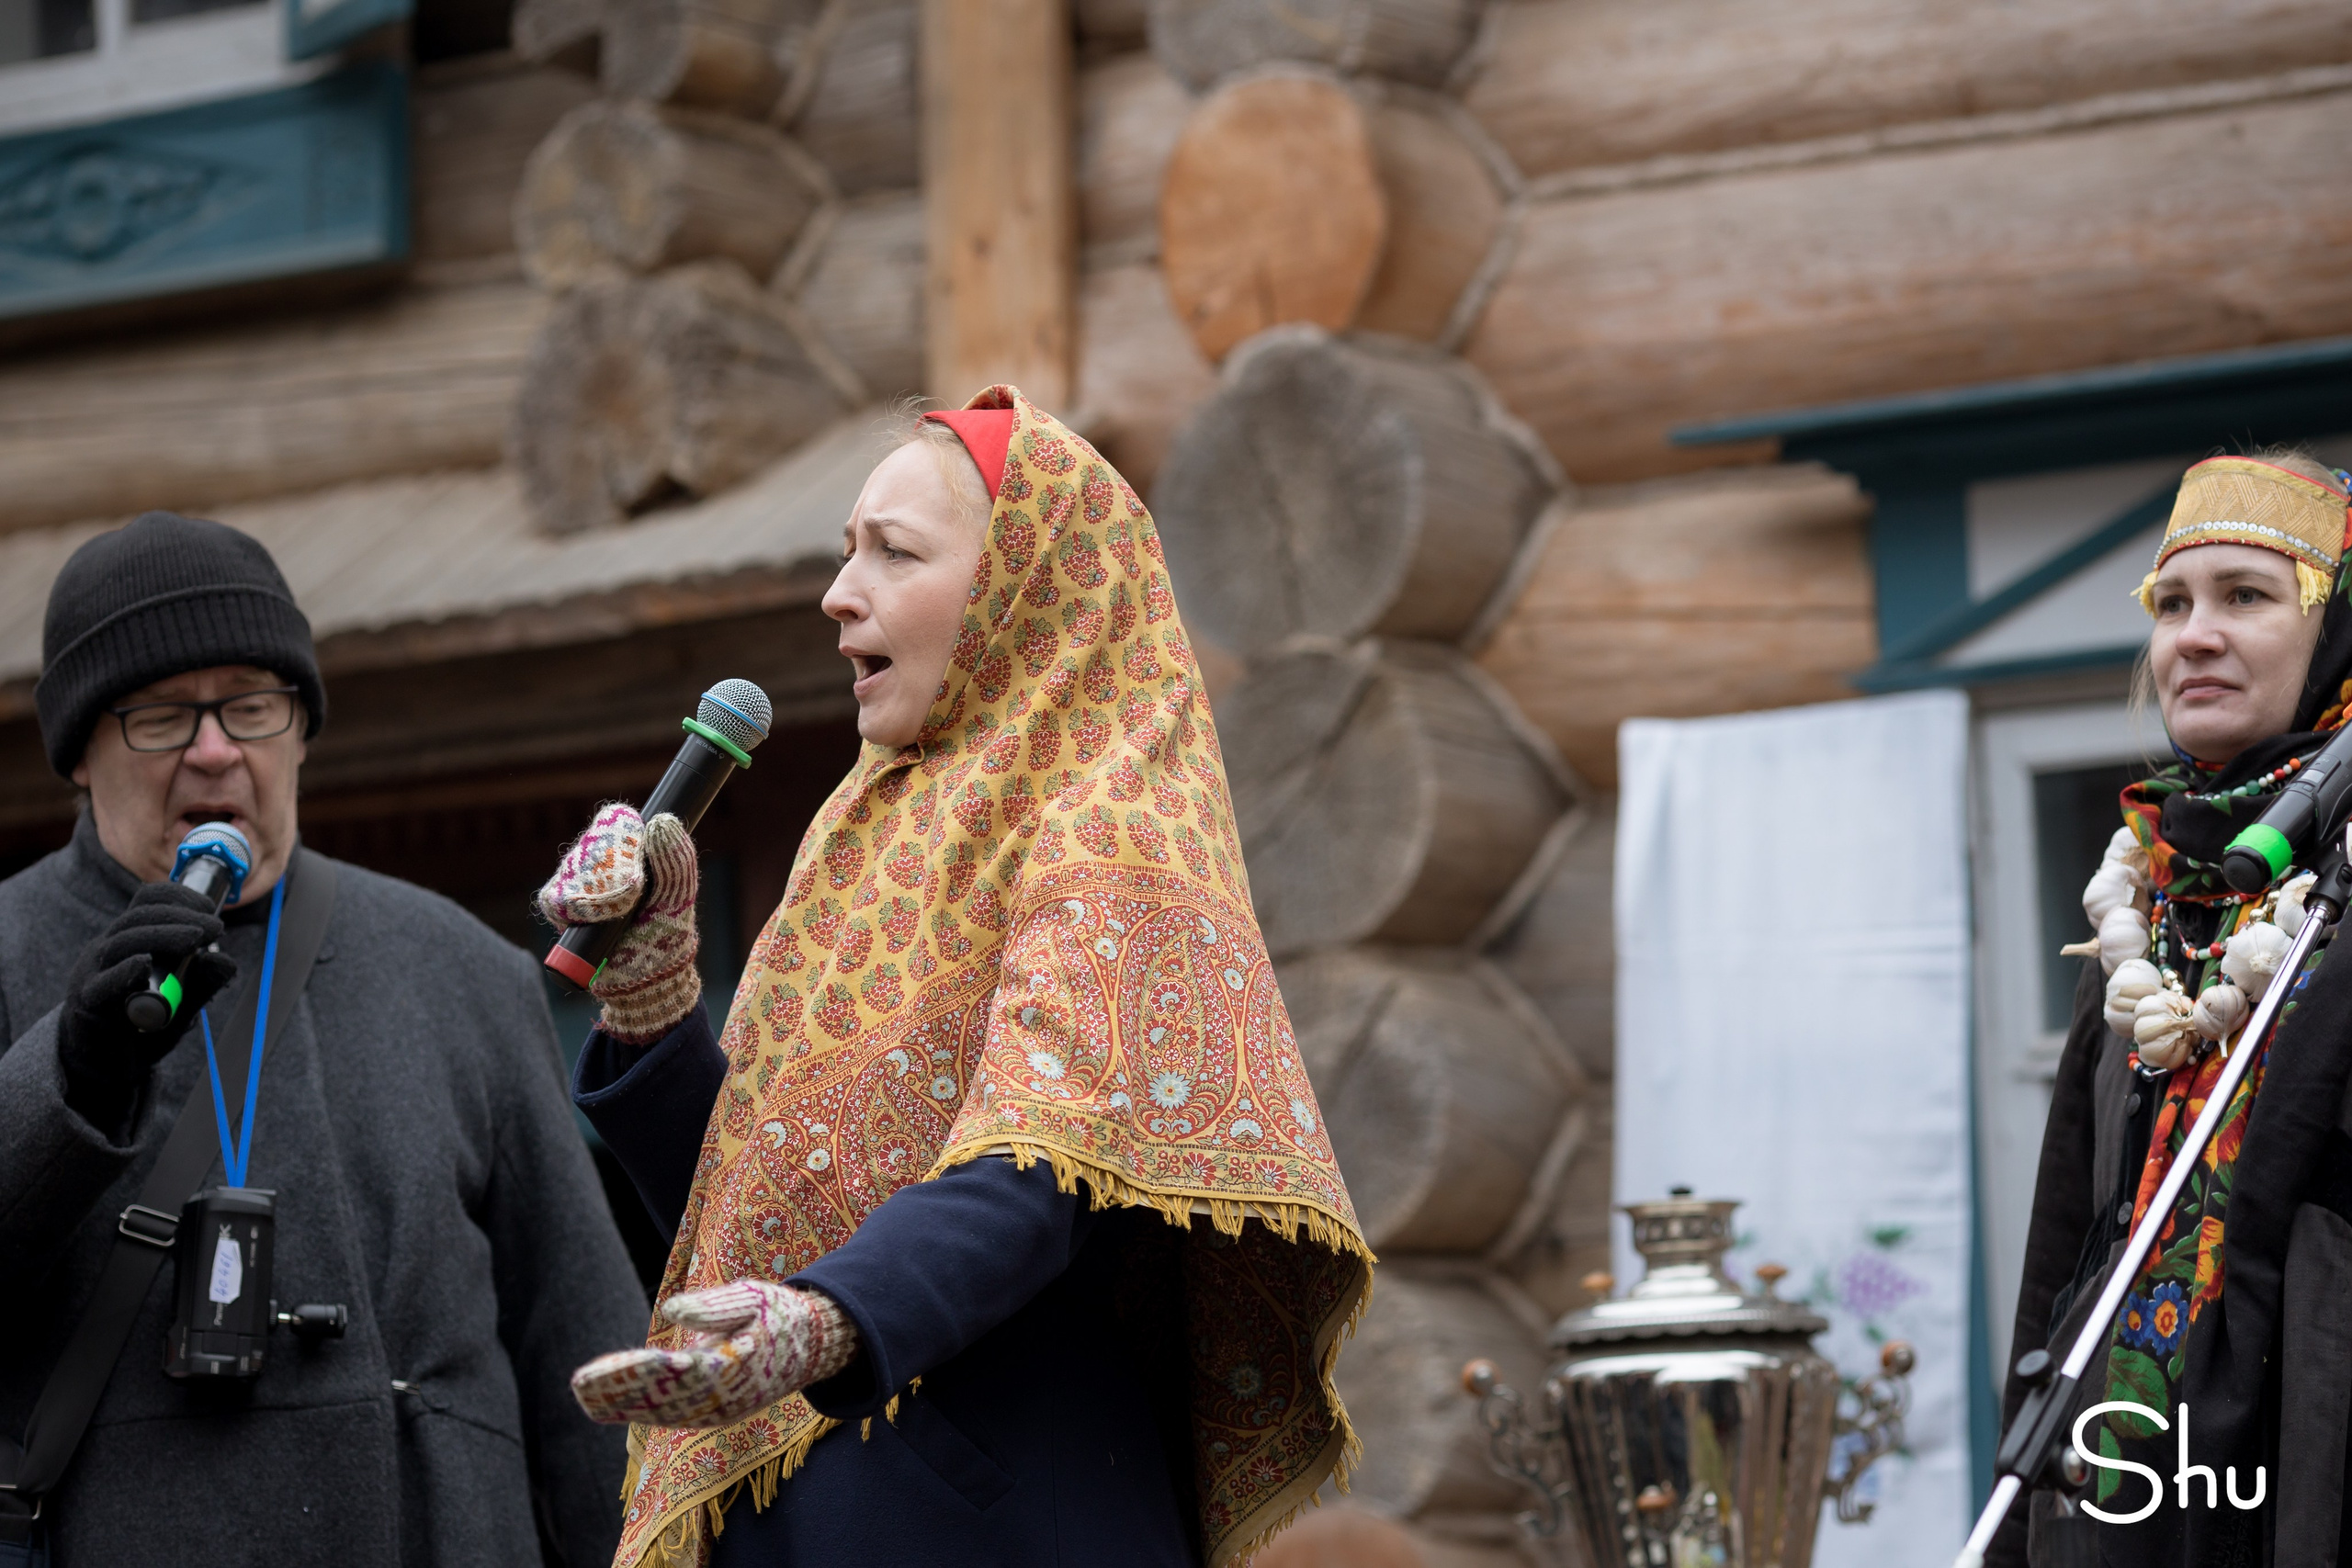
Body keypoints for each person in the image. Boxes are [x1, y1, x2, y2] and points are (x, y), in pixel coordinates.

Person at [538, 389, 1372, 1568]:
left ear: (1025, 588)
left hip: (990, 1524)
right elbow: (756, 1213)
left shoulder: (1113, 817)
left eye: (893, 551)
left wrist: (830, 1321)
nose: (839, 593)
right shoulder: (864, 828)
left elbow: (1042, 1169)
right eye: (844, 552)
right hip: (808, 1517)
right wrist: (651, 1004)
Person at [0, 513, 650, 1567]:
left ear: (300, 729)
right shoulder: (9, 952)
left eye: (252, 707)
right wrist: (68, 1073)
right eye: (163, 717)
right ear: (80, 752)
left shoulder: (460, 967)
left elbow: (584, 1347)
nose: (216, 751)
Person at [1995, 453, 2352, 1566]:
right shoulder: (2141, 905)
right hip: (2135, 1464)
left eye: (2247, 597)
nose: (2193, 636)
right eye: (2171, 605)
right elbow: (2065, 1233)